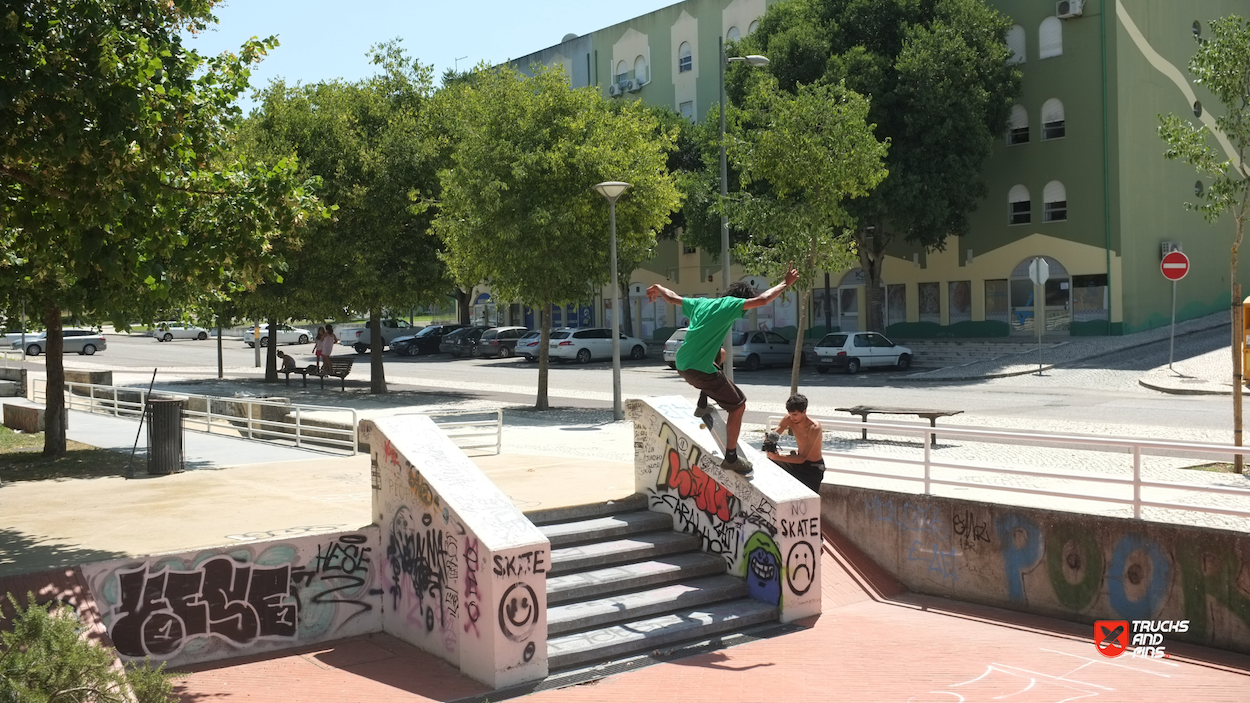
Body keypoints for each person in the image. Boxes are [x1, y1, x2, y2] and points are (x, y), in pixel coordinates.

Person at [646, 265, 799, 474]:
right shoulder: (731, 305)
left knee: (722, 353)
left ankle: (702, 402)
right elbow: (763, 300)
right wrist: (785, 283)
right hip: (697, 369)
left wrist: (659, 287)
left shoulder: (701, 303)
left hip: (681, 362)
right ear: (739, 299)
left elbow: (672, 298)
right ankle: (731, 457)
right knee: (738, 405)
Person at [764, 393, 826, 494]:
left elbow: (802, 458)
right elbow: (777, 431)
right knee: (770, 465)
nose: (792, 418)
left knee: (808, 501)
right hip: (798, 463)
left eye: (795, 415)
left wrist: (778, 457)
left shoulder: (814, 428)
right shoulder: (789, 418)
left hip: (813, 467)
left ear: (804, 411)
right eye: (790, 414)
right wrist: (769, 439)